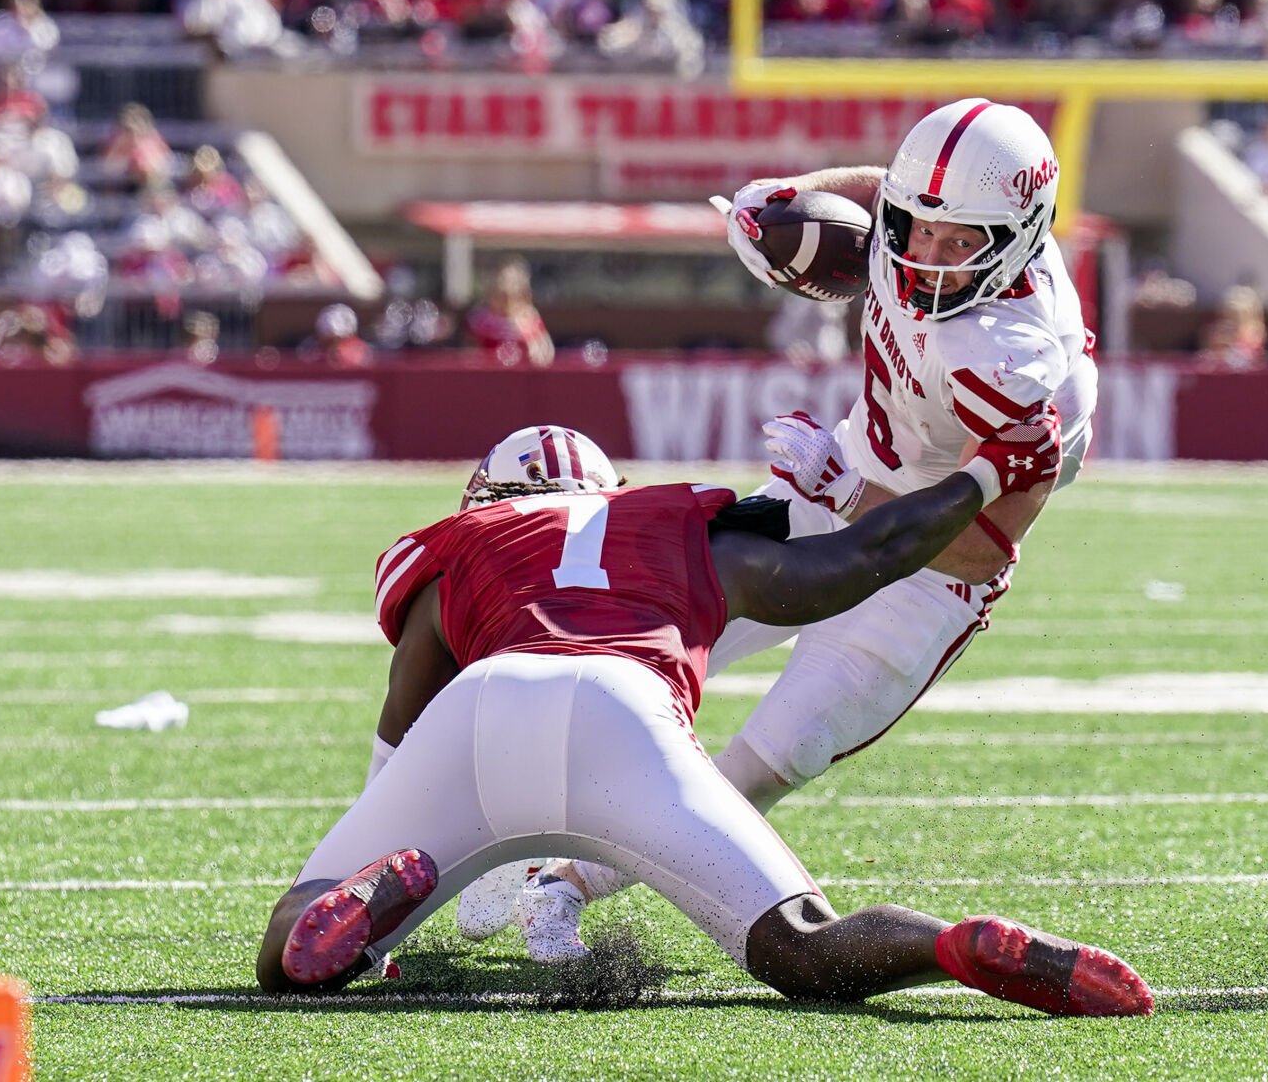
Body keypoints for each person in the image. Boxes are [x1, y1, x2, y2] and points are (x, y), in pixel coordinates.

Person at [464, 99, 1101, 960]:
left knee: (758, 764)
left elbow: (981, 545)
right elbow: (882, 192)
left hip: (924, 577)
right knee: (632, 634)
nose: (924, 259)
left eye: (961, 245)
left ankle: (563, 887)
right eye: (918, 229)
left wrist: (848, 494)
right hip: (836, 482)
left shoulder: (1024, 370)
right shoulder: (931, 221)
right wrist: (790, 192)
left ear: (1022, 236)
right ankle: (484, 824)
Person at [257, 421, 1152, 1020]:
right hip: (625, 718)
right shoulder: (682, 525)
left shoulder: (464, 548)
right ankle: (951, 947)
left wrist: (399, 854)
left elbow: (402, 722)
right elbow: (860, 561)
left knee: (286, 954)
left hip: (483, 708)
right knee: (805, 952)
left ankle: (373, 896)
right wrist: (984, 475)